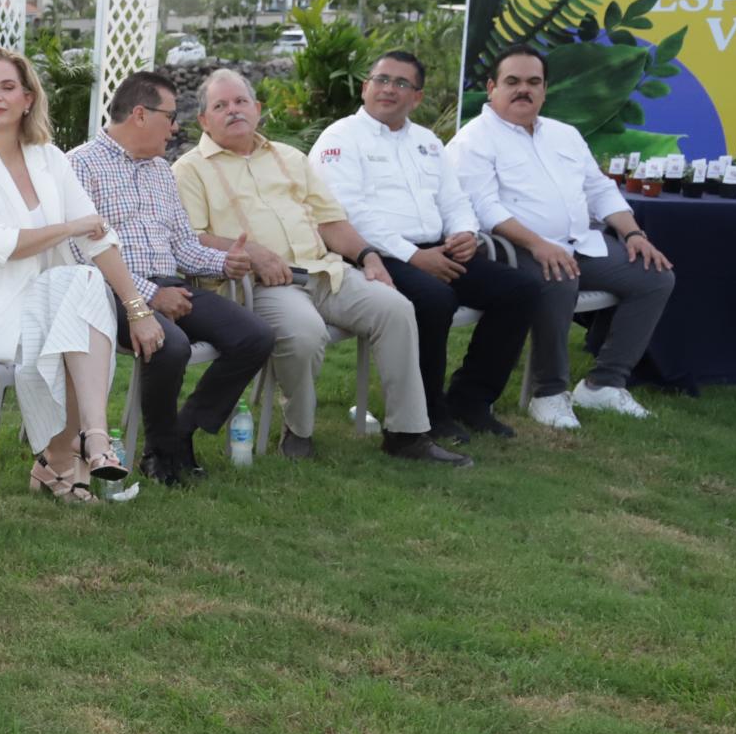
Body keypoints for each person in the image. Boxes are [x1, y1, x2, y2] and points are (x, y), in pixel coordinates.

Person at [172, 69, 471, 466]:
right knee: (305, 332)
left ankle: (407, 433)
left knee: (396, 309)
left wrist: (368, 256)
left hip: (324, 271)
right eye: (220, 106)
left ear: (258, 109)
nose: (233, 111)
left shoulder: (289, 158)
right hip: (256, 284)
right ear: (204, 121)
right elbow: (190, 238)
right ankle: (299, 430)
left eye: (241, 102)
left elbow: (331, 222)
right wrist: (255, 254)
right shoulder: (189, 170)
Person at [0, 49, 165, 503]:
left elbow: (98, 237)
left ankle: (80, 448)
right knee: (77, 301)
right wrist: (71, 228)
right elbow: (1, 245)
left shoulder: (47, 158)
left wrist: (137, 309)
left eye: (6, 87)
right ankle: (74, 452)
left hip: (49, 301)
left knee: (80, 288)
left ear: (27, 98)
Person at [310, 50, 543, 441]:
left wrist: (465, 233)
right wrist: (414, 256)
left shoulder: (428, 141)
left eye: (402, 83)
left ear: (416, 97)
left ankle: (470, 398)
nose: (389, 89)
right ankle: (429, 414)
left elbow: (454, 199)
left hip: (437, 247)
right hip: (372, 255)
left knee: (520, 289)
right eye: (382, 80)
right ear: (366, 87)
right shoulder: (339, 139)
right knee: (435, 300)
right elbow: (347, 212)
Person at [446, 45, 675, 429]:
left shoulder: (564, 134)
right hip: (511, 249)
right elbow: (484, 207)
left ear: (545, 88)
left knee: (654, 276)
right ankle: (548, 393)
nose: (524, 90)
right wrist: (537, 244)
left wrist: (632, 233)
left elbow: (599, 189)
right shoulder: (474, 140)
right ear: (491, 87)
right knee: (558, 274)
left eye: (533, 82)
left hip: (578, 243)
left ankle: (604, 383)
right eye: (513, 82)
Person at [67, 70, 274, 487]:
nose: (176, 126)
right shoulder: (79, 165)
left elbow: (182, 246)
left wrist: (223, 262)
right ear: (140, 115)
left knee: (255, 336)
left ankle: (182, 431)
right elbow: (77, 254)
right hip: (110, 290)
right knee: (170, 345)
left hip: (170, 283)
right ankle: (159, 454)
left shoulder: (161, 169)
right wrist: (149, 296)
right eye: (170, 116)